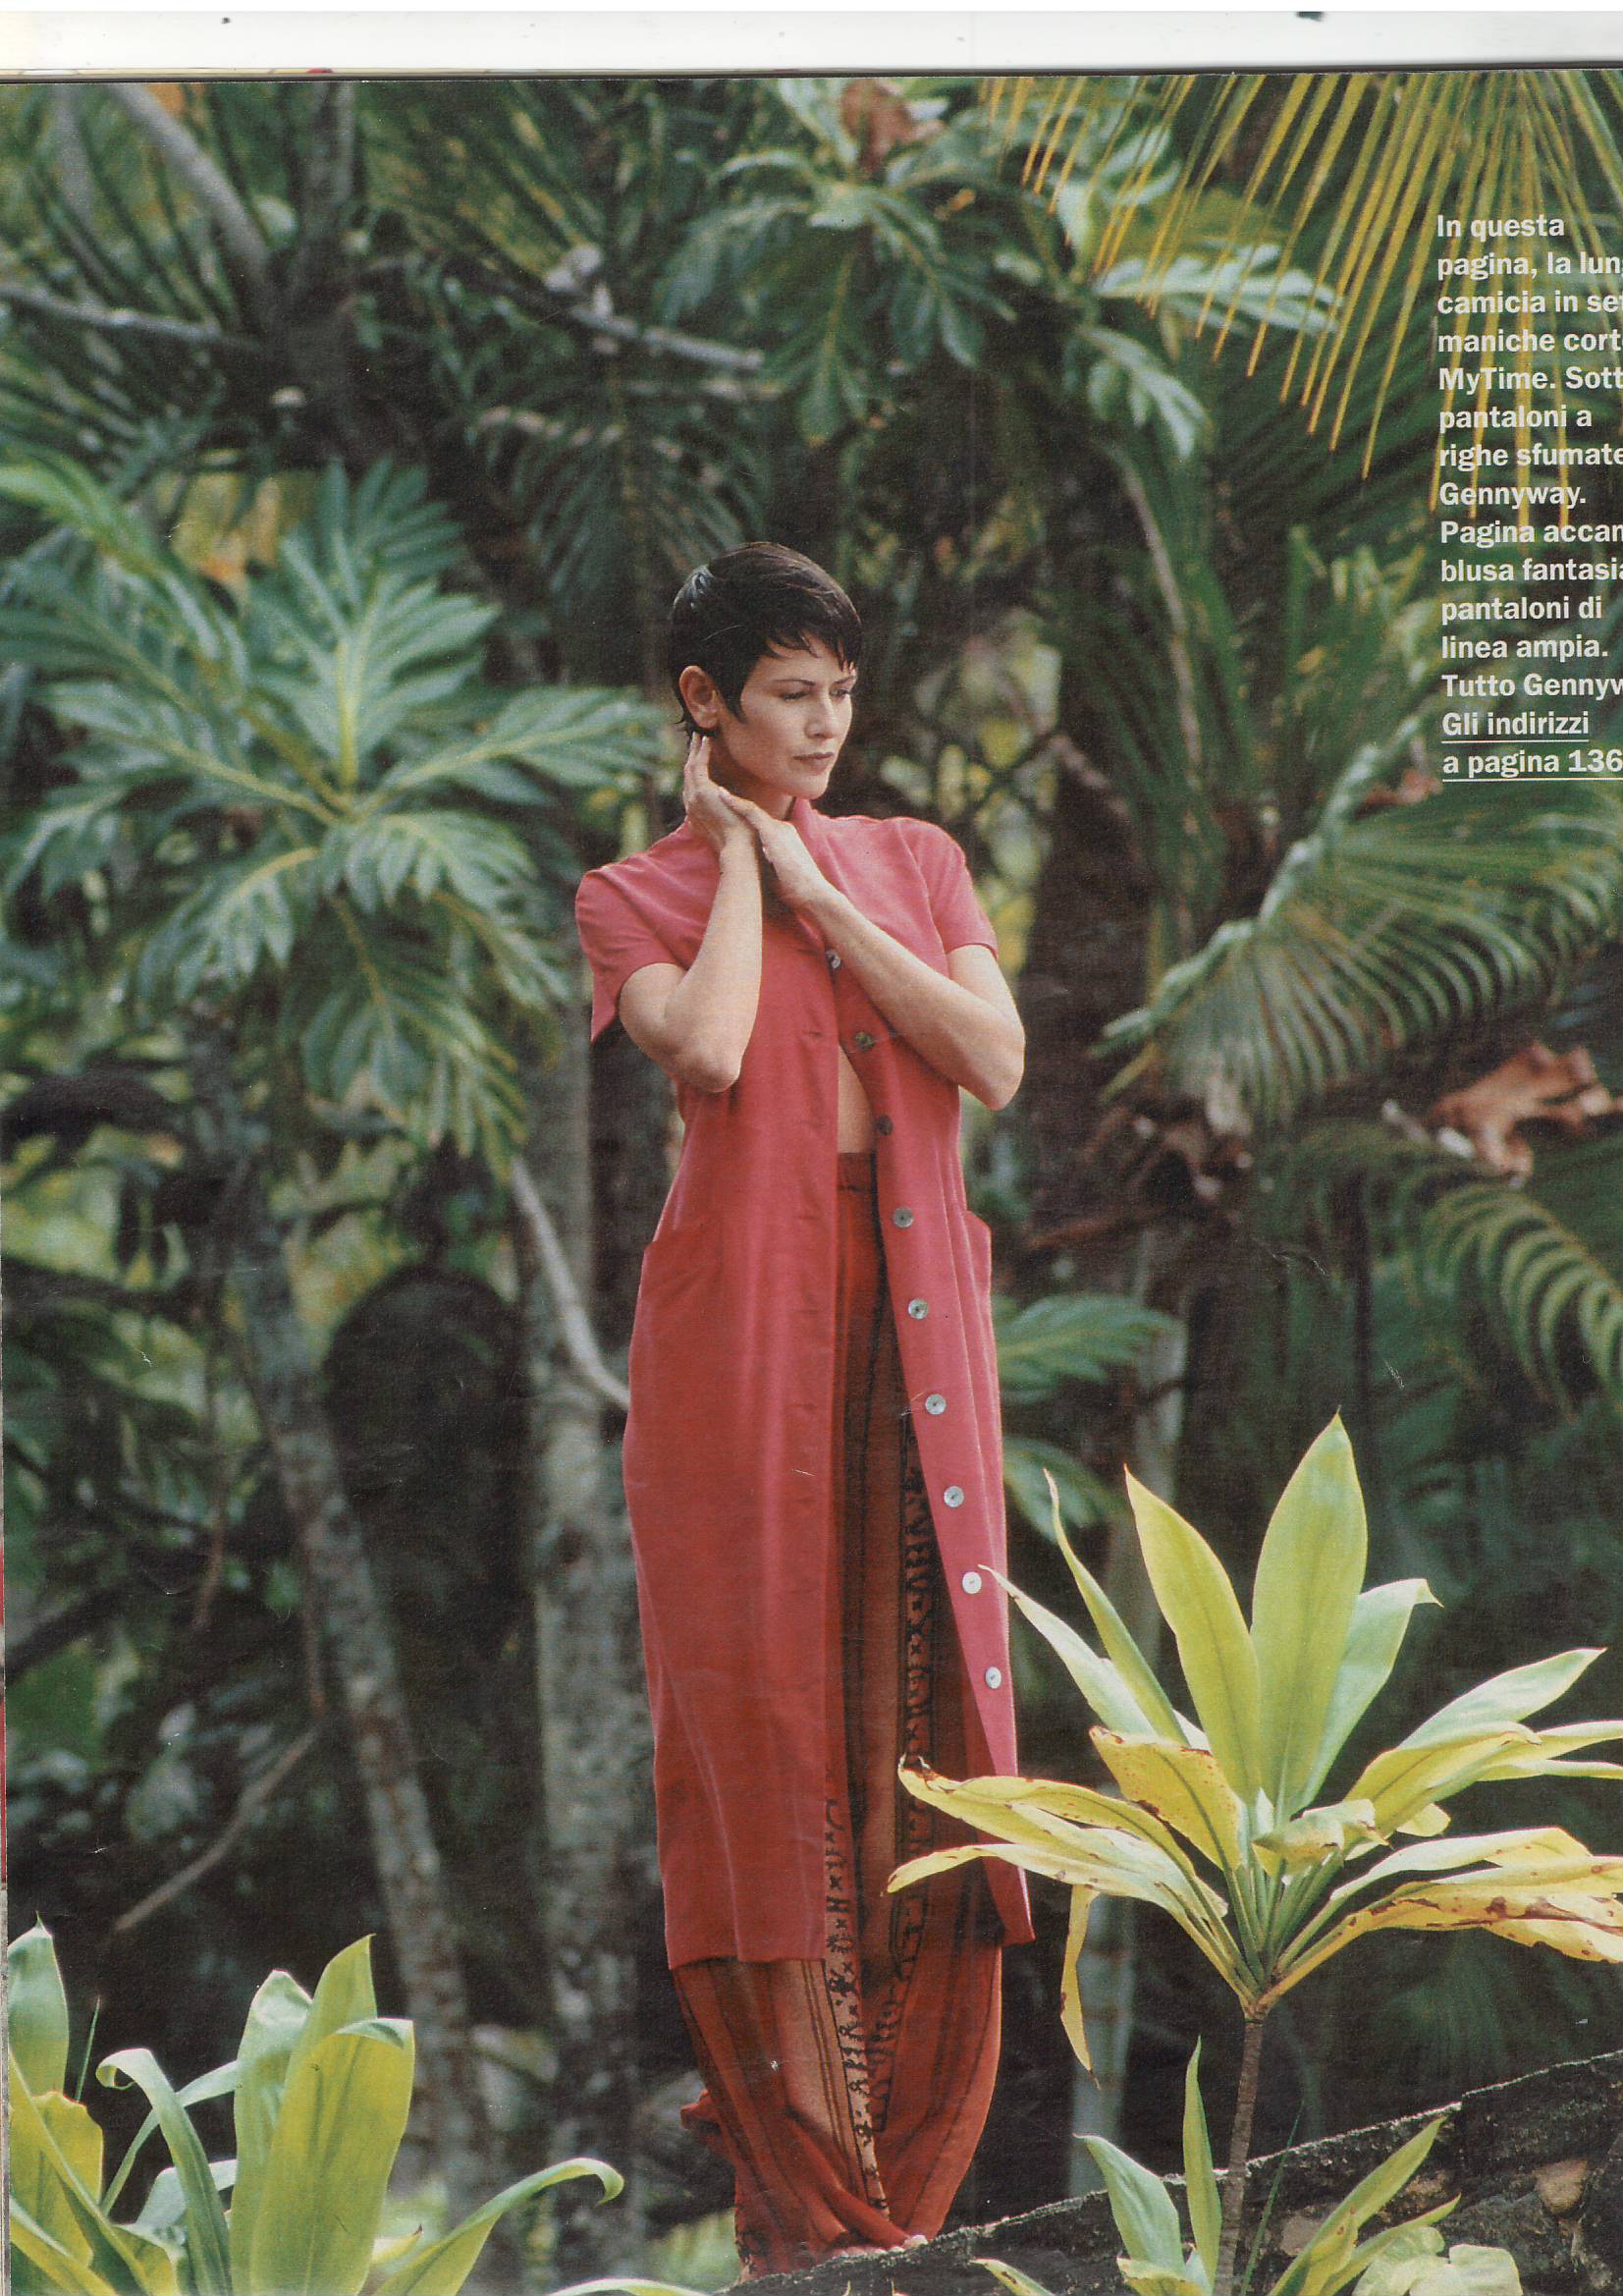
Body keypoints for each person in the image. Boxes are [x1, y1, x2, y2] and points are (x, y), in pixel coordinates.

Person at [574, 544, 1034, 2279]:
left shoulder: (914, 860)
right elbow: (703, 1048)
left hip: (917, 1331)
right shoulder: (629, 893)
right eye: (788, 693)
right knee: (760, 1735)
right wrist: (735, 865)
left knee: (934, 1714)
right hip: (736, 1349)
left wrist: (822, 890)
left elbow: (989, 1056)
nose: (825, 722)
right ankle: (805, 2206)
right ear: (706, 702)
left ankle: (904, 2198)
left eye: (840, 691)